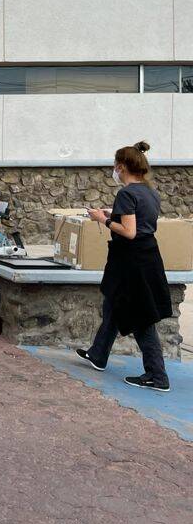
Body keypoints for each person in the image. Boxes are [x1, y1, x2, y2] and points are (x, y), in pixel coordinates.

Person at [77, 141, 172, 392]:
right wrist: (114, 213)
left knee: (141, 318)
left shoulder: (127, 194)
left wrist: (104, 219)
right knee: (113, 301)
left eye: (115, 167)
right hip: (146, 257)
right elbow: (141, 220)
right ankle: (98, 354)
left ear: (121, 166)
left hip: (132, 261)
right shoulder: (150, 191)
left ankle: (157, 375)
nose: (114, 171)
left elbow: (129, 232)